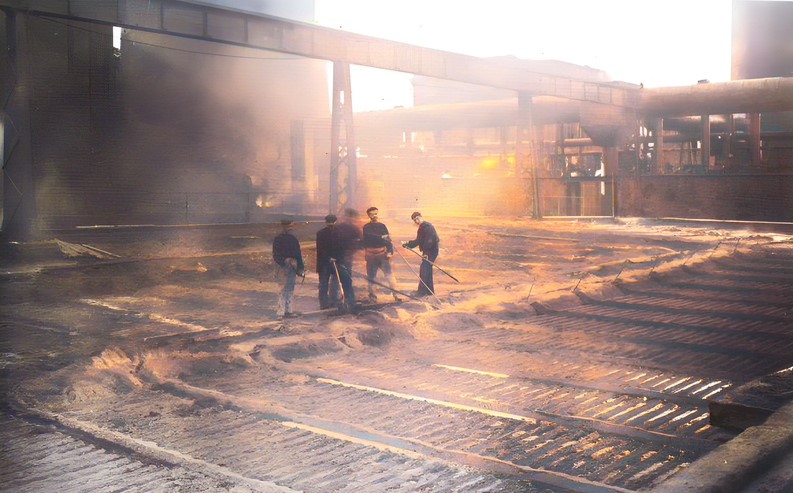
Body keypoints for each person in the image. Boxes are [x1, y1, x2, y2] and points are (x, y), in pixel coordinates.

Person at [362, 206, 400, 303]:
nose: (375, 216)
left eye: (376, 213)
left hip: (383, 255)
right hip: (371, 255)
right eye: (372, 214)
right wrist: (381, 237)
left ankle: (396, 295)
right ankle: (373, 297)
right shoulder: (366, 227)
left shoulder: (382, 226)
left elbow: (388, 240)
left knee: (389, 275)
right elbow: (369, 237)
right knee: (371, 277)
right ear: (369, 215)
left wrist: (390, 251)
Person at [331, 208, 362, 313]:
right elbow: (359, 244)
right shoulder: (354, 229)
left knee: (336, 278)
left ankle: (335, 301)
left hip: (338, 257)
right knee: (346, 279)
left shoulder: (338, 227)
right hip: (345, 257)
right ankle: (348, 301)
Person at [272, 218, 305, 318]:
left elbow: (275, 254)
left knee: (281, 288)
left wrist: (282, 261)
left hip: (280, 267)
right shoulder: (292, 239)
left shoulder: (277, 239)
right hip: (291, 266)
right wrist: (300, 269)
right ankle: (288, 311)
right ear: (290, 227)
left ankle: (280, 311)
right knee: (289, 289)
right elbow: (297, 255)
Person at [402, 211, 439, 297]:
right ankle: (429, 292)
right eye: (415, 220)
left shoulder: (428, 226)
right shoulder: (421, 228)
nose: (416, 221)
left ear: (420, 217)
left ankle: (421, 292)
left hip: (431, 251)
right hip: (428, 251)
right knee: (427, 269)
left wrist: (426, 253)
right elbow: (418, 241)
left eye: (417, 219)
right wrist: (407, 244)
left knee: (424, 269)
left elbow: (430, 241)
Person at [315, 213, 340, 310]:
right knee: (333, 283)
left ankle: (324, 304)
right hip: (329, 263)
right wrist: (334, 257)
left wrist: (331, 257)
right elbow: (341, 248)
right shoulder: (339, 232)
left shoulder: (320, 233)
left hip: (324, 263)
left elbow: (320, 249)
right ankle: (333, 302)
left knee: (324, 284)